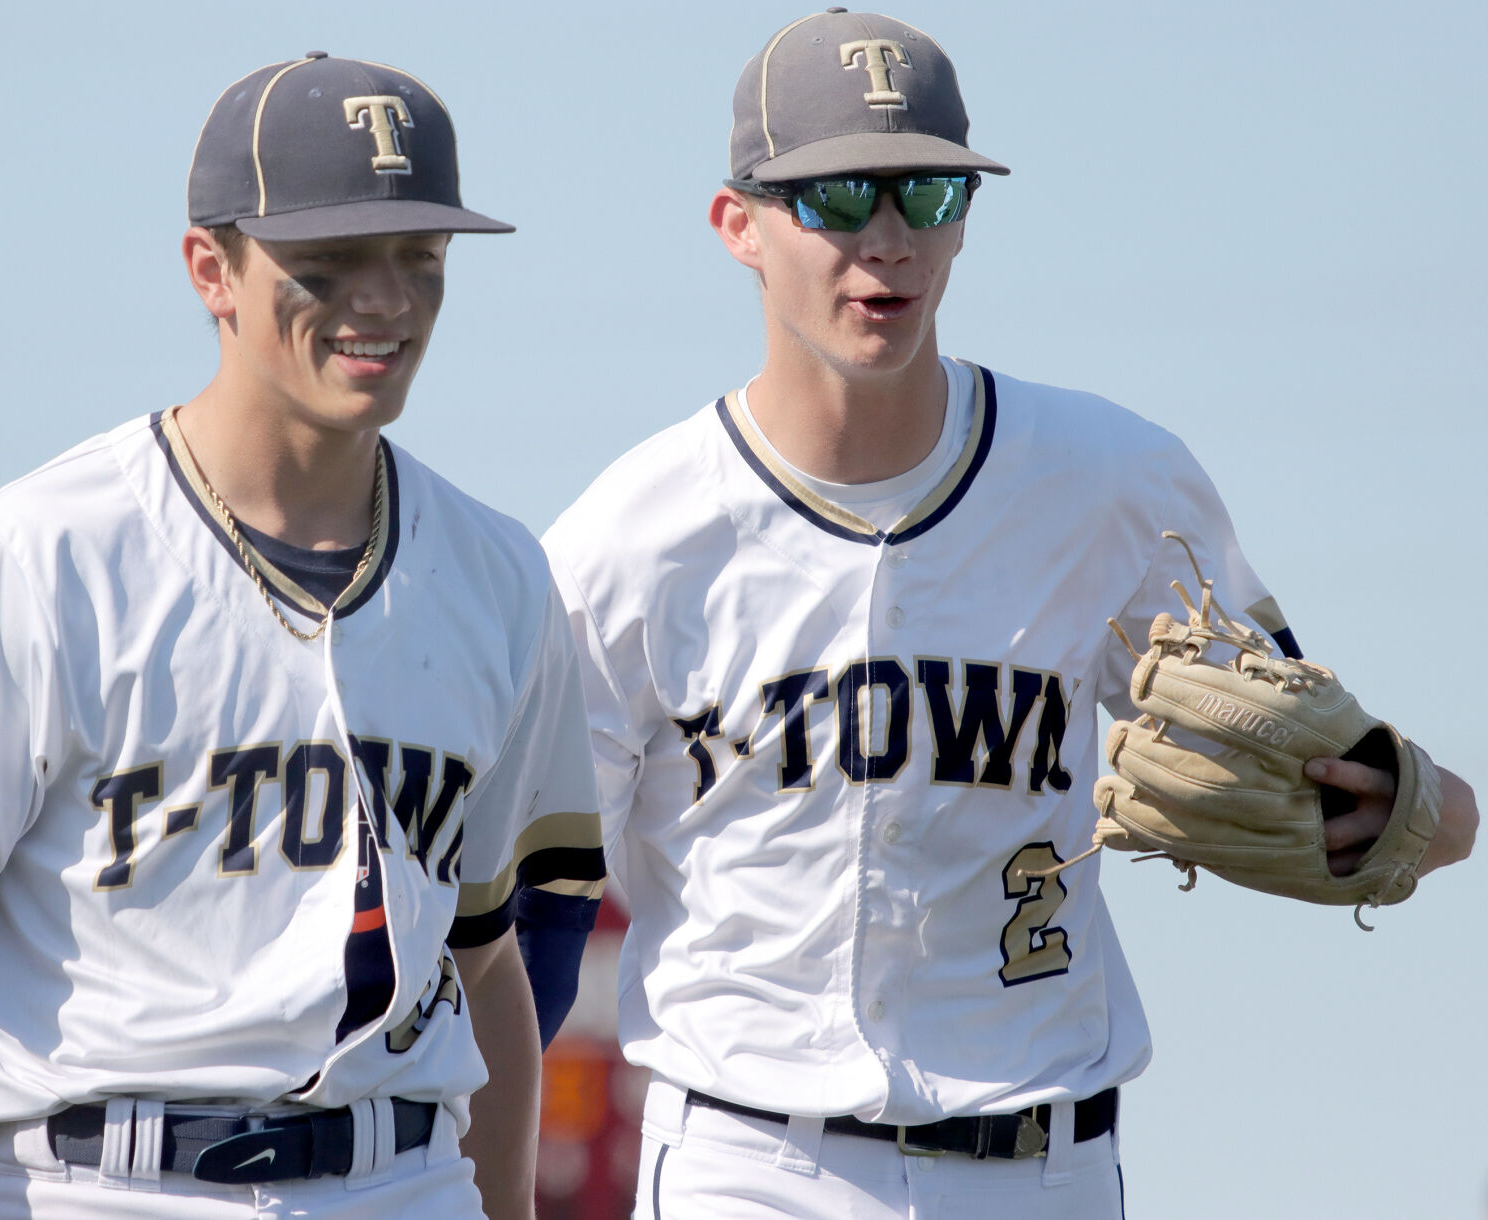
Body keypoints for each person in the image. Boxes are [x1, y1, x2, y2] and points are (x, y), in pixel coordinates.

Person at [541, 10, 1478, 1218]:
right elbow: (529, 910)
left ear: (965, 217)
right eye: (834, 199)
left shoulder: (1108, 480)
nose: (886, 238)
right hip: (750, 1161)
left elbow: (1325, 766)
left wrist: (1412, 809)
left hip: (1046, 1163)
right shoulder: (631, 536)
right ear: (740, 227)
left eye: (926, 191)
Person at [0, 52, 604, 1219]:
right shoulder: (39, 551)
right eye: (328, 261)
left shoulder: (501, 575)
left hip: (405, 1178)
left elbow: (485, 959)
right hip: (104, 1184)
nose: (382, 300)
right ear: (210, 269)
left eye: (417, 258)